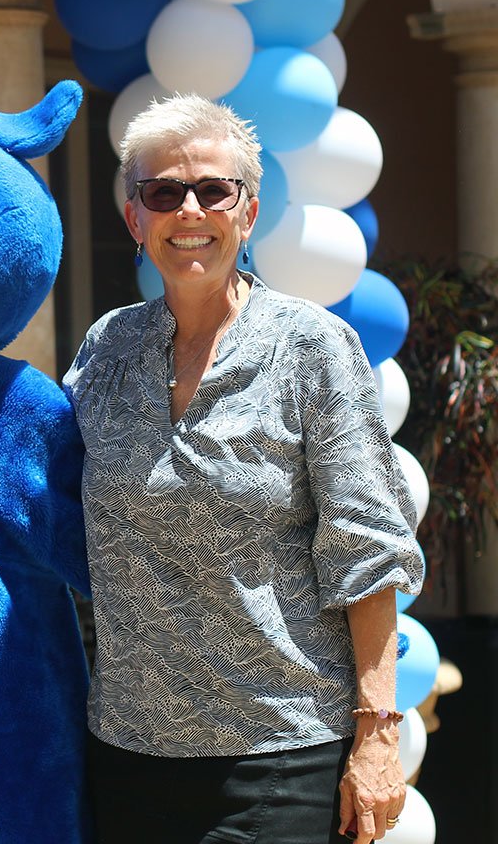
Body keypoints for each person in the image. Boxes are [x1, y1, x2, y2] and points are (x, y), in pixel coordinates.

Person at [62, 94, 424, 844]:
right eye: (163, 193)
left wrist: (379, 734)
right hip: (127, 754)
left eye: (212, 191)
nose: (188, 209)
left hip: (279, 754)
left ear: (248, 212)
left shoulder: (311, 348)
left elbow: (368, 550)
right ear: (136, 219)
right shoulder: (106, 350)